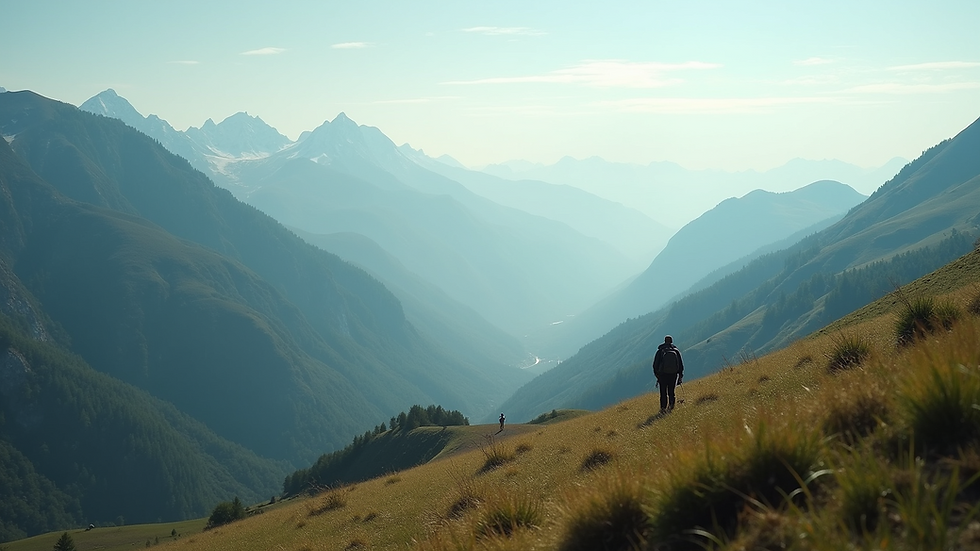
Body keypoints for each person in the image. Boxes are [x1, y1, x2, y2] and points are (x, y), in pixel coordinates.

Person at [652, 335, 684, 413]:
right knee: (671, 392)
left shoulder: (660, 351)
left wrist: (657, 375)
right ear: (671, 341)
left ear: (665, 341)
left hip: (662, 375)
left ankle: (663, 408)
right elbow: (680, 364)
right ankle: (671, 406)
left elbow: (655, 365)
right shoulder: (676, 351)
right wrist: (680, 375)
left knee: (663, 392)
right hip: (673, 374)